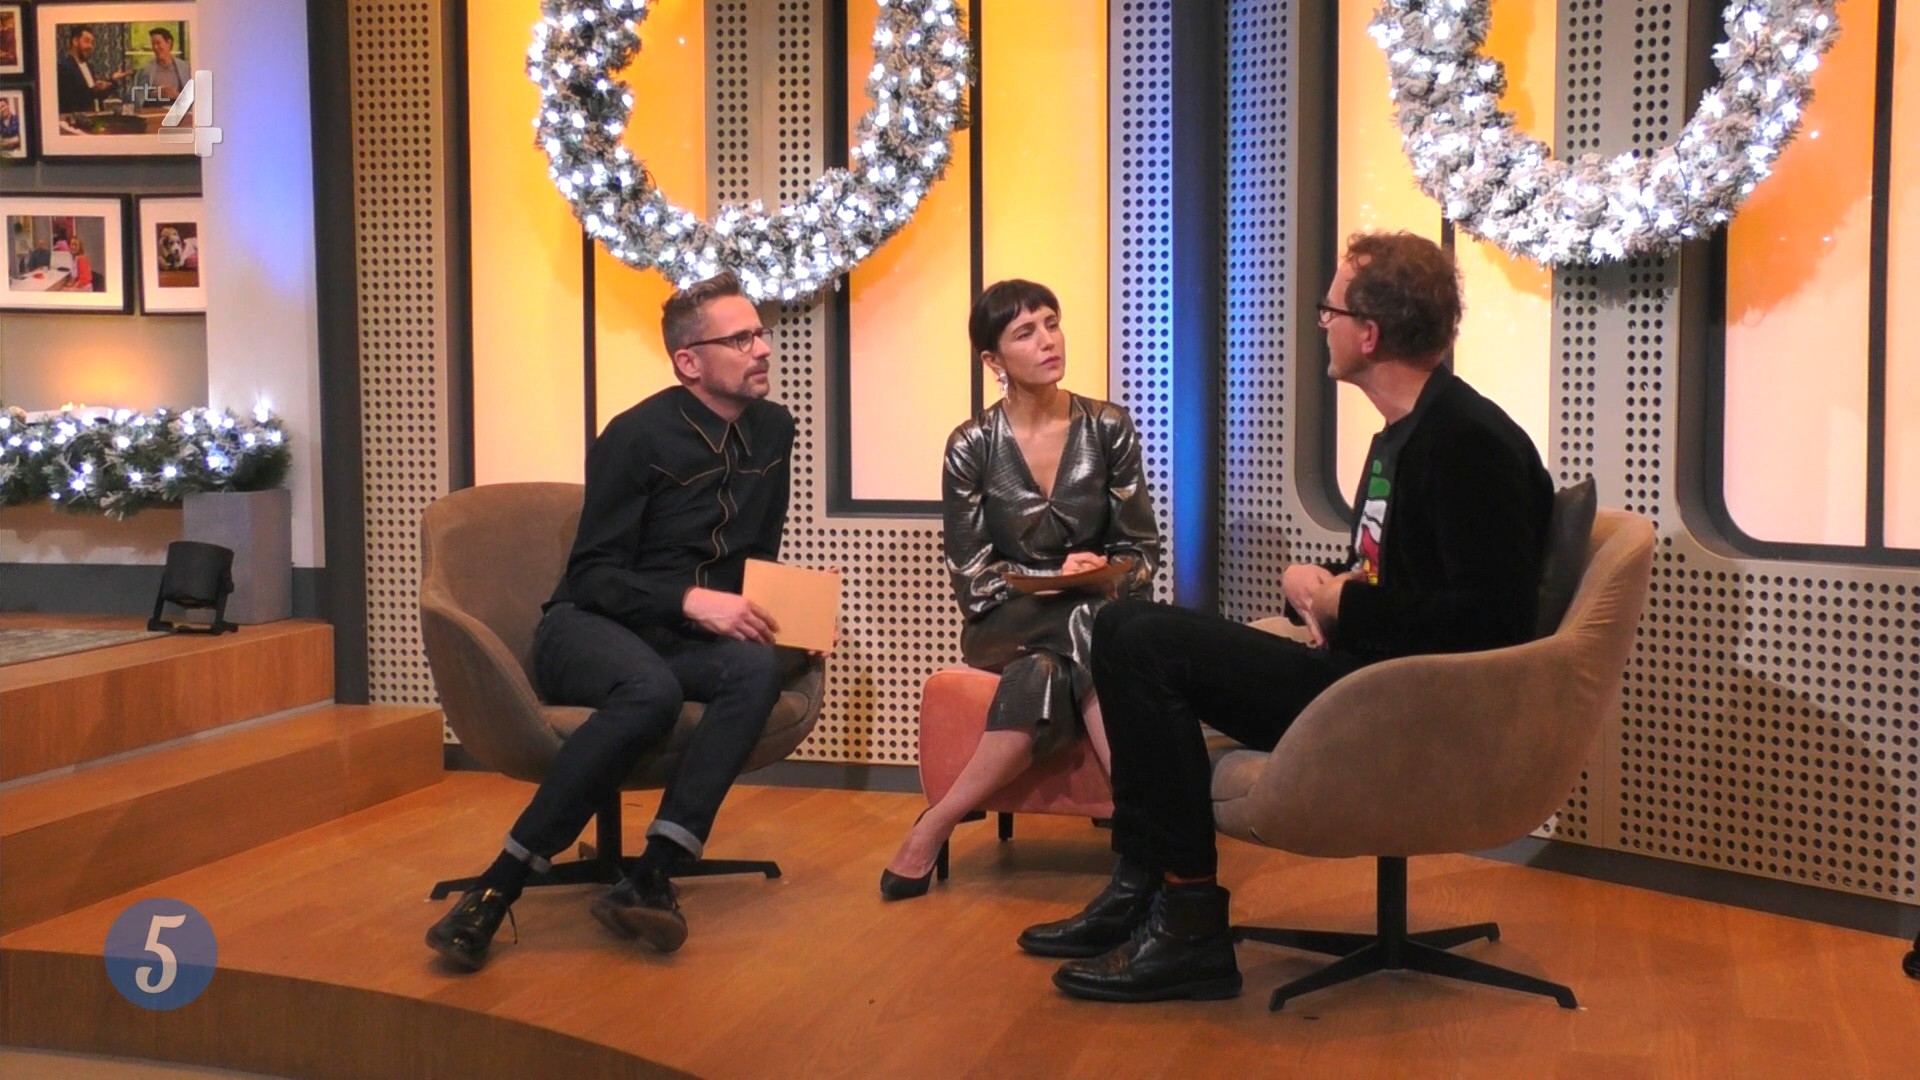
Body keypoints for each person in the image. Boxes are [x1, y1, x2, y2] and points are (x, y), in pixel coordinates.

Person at [1025, 231, 1554, 1003]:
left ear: (1368, 334)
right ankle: (1143, 889)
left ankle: (1189, 923)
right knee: (1124, 628)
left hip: (1399, 704)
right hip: (1362, 675)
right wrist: (1318, 587)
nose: (1320, 324)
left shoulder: (1469, 442)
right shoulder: (1408, 432)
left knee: (1140, 636)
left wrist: (1344, 601)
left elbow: (1489, 622)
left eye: (1328, 310)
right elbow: (1403, 576)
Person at [426, 271, 797, 971]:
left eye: (760, 333)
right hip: (586, 626)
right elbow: (595, 574)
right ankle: (497, 887)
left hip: (681, 638)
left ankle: (652, 875)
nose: (762, 348)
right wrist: (689, 601)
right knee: (651, 693)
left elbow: (759, 553)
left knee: (754, 668)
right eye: (741, 338)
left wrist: (789, 611)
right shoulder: (636, 436)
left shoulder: (775, 429)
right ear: (689, 362)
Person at [879, 279, 1161, 900]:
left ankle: (935, 824)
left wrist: (1096, 571)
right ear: (993, 359)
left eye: (1052, 323)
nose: (1048, 341)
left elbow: (1141, 550)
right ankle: (1145, 828)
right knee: (1084, 623)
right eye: (1025, 333)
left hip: (1097, 610)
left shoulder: (1108, 426)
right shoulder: (971, 445)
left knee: (1052, 662)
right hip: (1002, 621)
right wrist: (1052, 583)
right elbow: (972, 575)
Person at [56, 26, 127, 116]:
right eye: (87, 41)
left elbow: (96, 96)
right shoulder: (63, 68)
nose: (90, 46)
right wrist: (93, 90)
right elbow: (70, 100)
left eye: (92, 43)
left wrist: (113, 80)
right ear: (75, 41)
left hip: (95, 117)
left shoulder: (90, 67)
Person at [132, 28, 190, 107]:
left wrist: (176, 95)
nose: (155, 47)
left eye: (158, 43)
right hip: (153, 110)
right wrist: (154, 94)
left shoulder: (184, 68)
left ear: (169, 43)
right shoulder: (145, 70)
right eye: (153, 44)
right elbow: (137, 98)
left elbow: (194, 97)